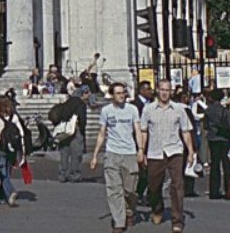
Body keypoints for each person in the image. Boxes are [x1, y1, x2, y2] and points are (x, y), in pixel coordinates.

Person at [140, 78, 196, 232]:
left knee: (177, 185)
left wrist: (191, 152)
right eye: (162, 90)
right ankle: (157, 208)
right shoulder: (148, 109)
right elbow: (143, 132)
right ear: (157, 90)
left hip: (175, 151)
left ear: (171, 91)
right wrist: (141, 150)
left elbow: (185, 131)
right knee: (153, 185)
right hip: (155, 152)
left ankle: (177, 220)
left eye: (168, 90)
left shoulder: (179, 109)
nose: (165, 93)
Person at [89, 80, 144, 233]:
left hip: (130, 153)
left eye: (123, 93)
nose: (122, 96)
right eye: (118, 93)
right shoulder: (106, 111)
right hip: (112, 153)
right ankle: (119, 222)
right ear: (112, 95)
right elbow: (102, 133)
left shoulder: (132, 109)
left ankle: (129, 210)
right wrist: (95, 155)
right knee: (114, 189)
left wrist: (140, 149)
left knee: (130, 190)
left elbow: (137, 130)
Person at [52, 83, 91, 183]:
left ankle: (62, 174)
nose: (89, 95)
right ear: (84, 93)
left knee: (64, 153)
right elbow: (82, 119)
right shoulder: (81, 103)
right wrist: (82, 129)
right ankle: (75, 174)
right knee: (76, 153)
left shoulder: (68, 101)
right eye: (88, 93)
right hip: (75, 129)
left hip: (64, 130)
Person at [0, 95, 24, 208]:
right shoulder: (14, 117)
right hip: (12, 148)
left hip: (0, 147)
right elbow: (21, 132)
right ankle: (2, 197)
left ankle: (10, 191)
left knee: (2, 173)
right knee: (7, 172)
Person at [203, 87, 230, 200]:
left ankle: (214, 191)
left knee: (214, 165)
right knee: (226, 165)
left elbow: (205, 126)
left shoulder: (208, 110)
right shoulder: (224, 110)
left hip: (213, 138)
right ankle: (228, 190)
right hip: (224, 138)